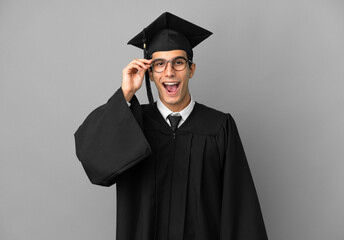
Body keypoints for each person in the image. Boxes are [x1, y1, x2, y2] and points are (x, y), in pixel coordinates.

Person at [74, 12, 268, 240]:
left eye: (178, 62)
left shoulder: (219, 127)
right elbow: (92, 156)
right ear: (151, 74)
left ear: (191, 69)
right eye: (159, 64)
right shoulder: (132, 123)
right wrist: (125, 93)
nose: (169, 72)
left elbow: (240, 210)